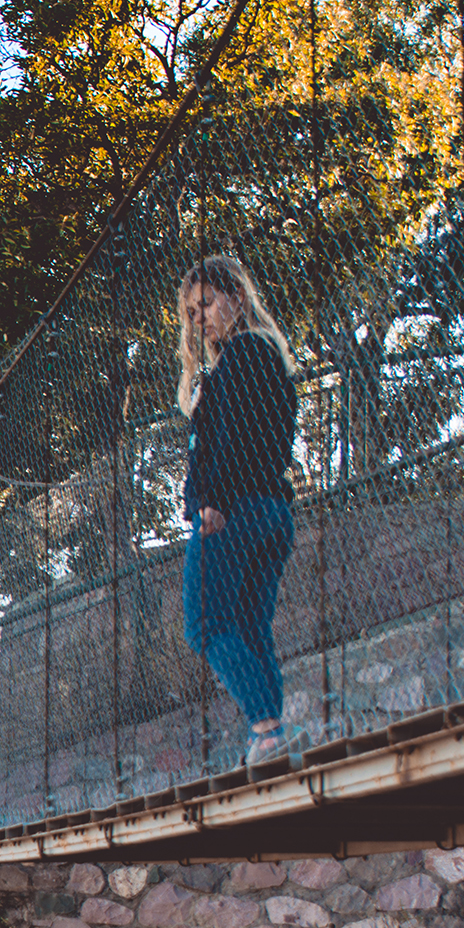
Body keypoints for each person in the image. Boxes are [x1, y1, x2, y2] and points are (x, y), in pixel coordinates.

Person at [178, 253, 304, 766]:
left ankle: (266, 725)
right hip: (271, 509)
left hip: (236, 510)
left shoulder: (244, 355)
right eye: (191, 312)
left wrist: (209, 500)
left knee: (204, 624)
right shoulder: (264, 355)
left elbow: (234, 441)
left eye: (206, 303)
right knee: (250, 629)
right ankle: (270, 738)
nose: (199, 318)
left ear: (237, 297)